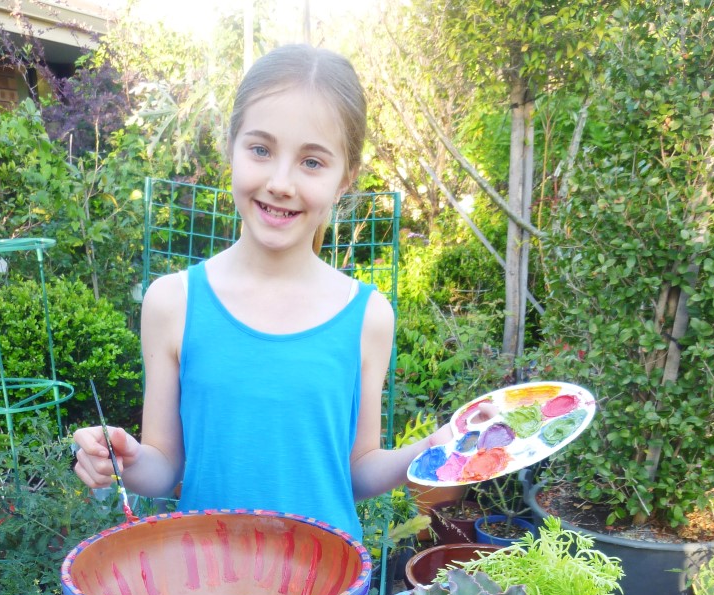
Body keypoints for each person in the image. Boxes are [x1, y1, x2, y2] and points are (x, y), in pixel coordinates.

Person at [72, 43, 465, 540]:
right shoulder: (173, 303)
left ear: (345, 179)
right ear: (231, 147)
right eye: (261, 149)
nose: (281, 183)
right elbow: (165, 468)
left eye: (312, 162)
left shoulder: (367, 316)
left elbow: (358, 470)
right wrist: (120, 458)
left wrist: (438, 446)